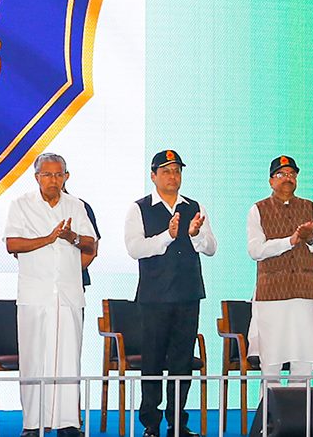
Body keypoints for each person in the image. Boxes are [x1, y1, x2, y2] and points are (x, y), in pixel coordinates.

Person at [125, 150, 216, 437]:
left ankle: (178, 422)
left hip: (188, 296)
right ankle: (151, 424)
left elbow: (211, 248)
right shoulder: (139, 208)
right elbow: (134, 249)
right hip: (154, 298)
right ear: (153, 176)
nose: (172, 176)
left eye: (176, 170)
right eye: (165, 171)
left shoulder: (194, 207)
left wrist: (195, 234)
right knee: (152, 361)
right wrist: (168, 235)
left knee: (181, 362)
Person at [4, 152, 97, 437]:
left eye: (59, 175)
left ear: (66, 177)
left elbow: (90, 244)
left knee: (69, 359)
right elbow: (12, 244)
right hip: (35, 294)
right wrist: (49, 238)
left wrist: (72, 238)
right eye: (47, 175)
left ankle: (68, 423)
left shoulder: (77, 205)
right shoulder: (21, 205)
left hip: (68, 294)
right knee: (33, 359)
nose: (53, 180)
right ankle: (32, 424)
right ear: (37, 178)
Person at [246, 155, 313, 382]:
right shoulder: (258, 209)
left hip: (305, 294)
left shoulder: (311, 207)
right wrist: (290, 241)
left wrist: (311, 238)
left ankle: (299, 416)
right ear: (271, 181)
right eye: (282, 175)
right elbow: (256, 250)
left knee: (303, 361)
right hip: (272, 296)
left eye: (292, 175)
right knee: (271, 363)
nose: (288, 179)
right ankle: (269, 415)